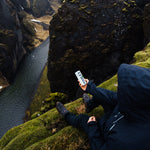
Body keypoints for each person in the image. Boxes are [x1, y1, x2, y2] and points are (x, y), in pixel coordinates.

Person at [56, 63, 150, 150]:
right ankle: (89, 105)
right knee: (101, 96)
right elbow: (111, 96)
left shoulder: (124, 143)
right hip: (117, 114)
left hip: (107, 127)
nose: (118, 88)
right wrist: (90, 88)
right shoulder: (143, 103)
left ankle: (66, 115)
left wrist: (92, 126)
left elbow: (99, 146)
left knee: (82, 119)